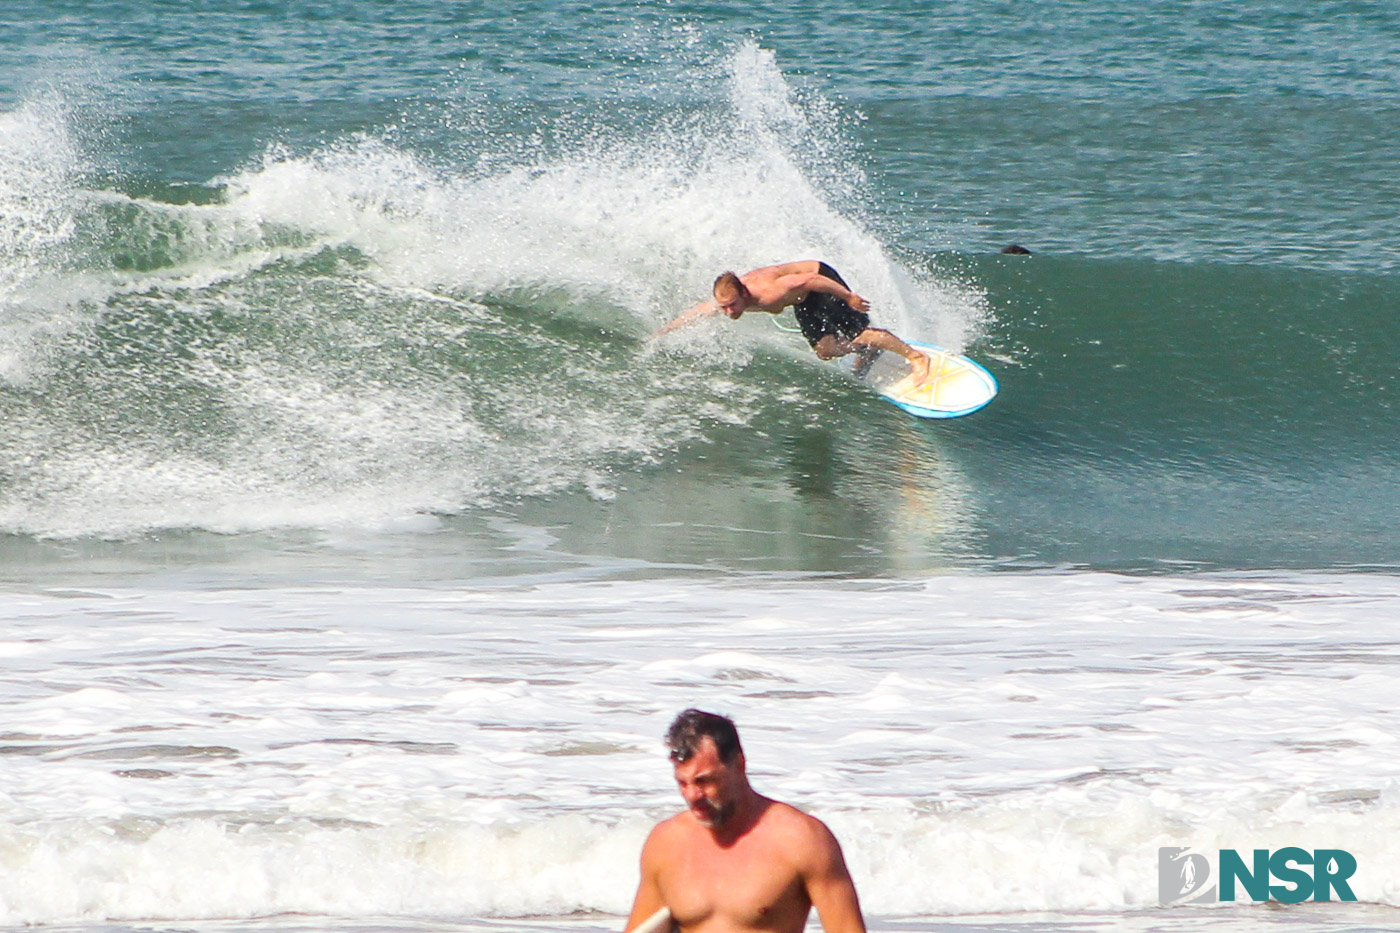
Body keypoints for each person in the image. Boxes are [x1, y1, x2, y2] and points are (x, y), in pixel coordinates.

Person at [623, 709, 867, 933]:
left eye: (704, 781)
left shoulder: (802, 839)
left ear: (739, 765)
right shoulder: (666, 844)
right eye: (682, 783)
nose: (691, 796)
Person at [656, 261, 931, 384]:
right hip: (802, 300)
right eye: (724, 307)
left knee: (860, 332)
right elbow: (699, 311)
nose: (728, 312)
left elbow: (809, 280)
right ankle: (866, 349)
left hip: (820, 283)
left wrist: (849, 297)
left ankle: (916, 357)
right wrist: (666, 331)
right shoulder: (730, 300)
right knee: (825, 352)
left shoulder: (770, 291)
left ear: (743, 293)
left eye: (732, 306)